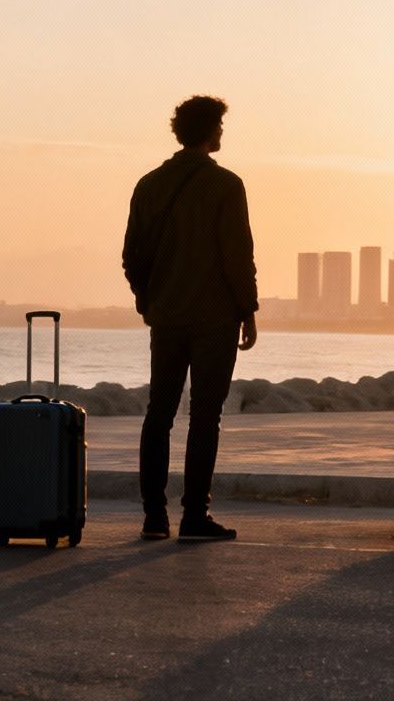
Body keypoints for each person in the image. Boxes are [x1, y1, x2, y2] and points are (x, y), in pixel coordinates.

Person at [123, 95, 258, 542]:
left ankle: (153, 517)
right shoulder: (225, 185)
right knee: (204, 416)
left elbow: (131, 256)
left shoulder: (149, 184)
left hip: (166, 317)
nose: (222, 134)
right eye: (219, 127)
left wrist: (149, 302)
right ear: (208, 130)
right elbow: (237, 256)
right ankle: (194, 516)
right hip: (214, 320)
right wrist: (248, 310)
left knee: (158, 414)